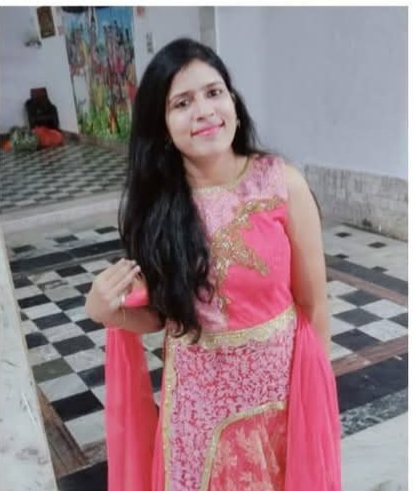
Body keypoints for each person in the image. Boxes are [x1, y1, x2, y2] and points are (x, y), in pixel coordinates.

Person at [85, 37, 341, 491]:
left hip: (279, 399)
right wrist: (109, 312)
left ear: (234, 104)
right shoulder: (158, 207)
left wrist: (315, 400)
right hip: (198, 412)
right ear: (163, 126)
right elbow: (164, 315)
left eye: (213, 92)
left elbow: (314, 305)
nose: (203, 111)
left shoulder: (282, 183)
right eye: (182, 103)